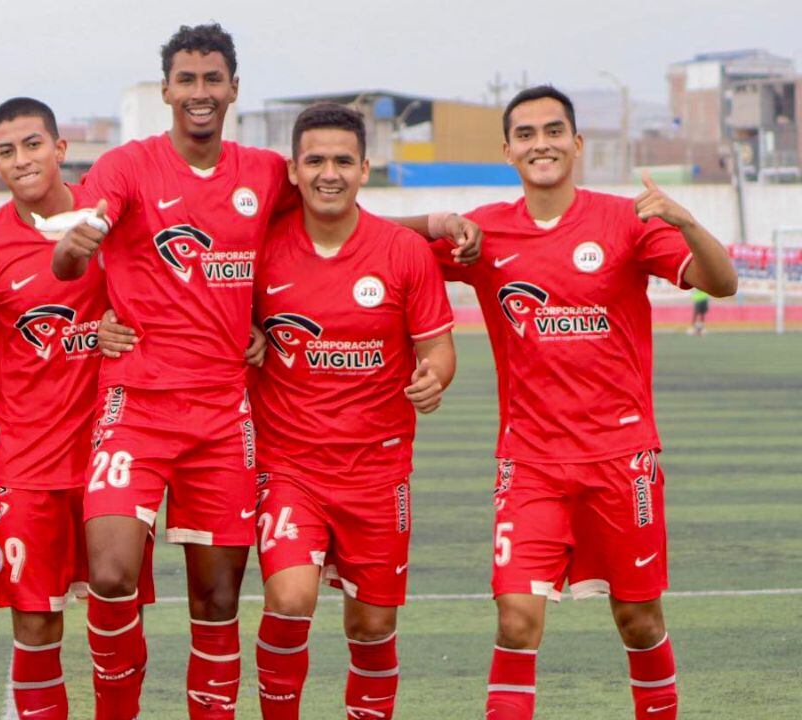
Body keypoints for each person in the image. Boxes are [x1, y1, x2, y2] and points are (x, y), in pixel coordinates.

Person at [52, 23, 480, 720]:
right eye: (186, 80)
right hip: (137, 403)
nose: (199, 92)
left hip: (224, 419)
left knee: (218, 600)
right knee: (108, 572)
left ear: (233, 90)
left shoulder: (262, 174)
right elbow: (72, 255)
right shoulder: (127, 167)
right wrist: (76, 251)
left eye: (212, 79)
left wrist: (432, 220)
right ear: (165, 90)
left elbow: (341, 214)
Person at [429, 85, 737, 720]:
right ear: (508, 149)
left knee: (638, 618)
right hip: (531, 463)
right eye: (525, 134)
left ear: (576, 142)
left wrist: (685, 222)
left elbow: (722, 282)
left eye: (552, 130)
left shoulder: (625, 222)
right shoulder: (484, 231)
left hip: (621, 459)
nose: (539, 143)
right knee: (516, 620)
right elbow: (373, 244)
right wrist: (435, 225)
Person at [0, 96, 154, 720]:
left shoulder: (112, 215)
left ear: (61, 149)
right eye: (6, 152)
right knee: (36, 628)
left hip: (113, 453)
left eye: (33, 144)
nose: (22, 160)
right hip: (25, 463)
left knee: (116, 609)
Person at [248, 103, 456, 720]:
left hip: (378, 471)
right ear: (293, 170)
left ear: (366, 168)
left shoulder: (403, 252)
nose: (328, 173)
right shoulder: (262, 251)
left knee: (371, 627)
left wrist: (433, 378)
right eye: (315, 160)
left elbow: (438, 348)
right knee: (289, 601)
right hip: (289, 467)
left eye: (343, 160)